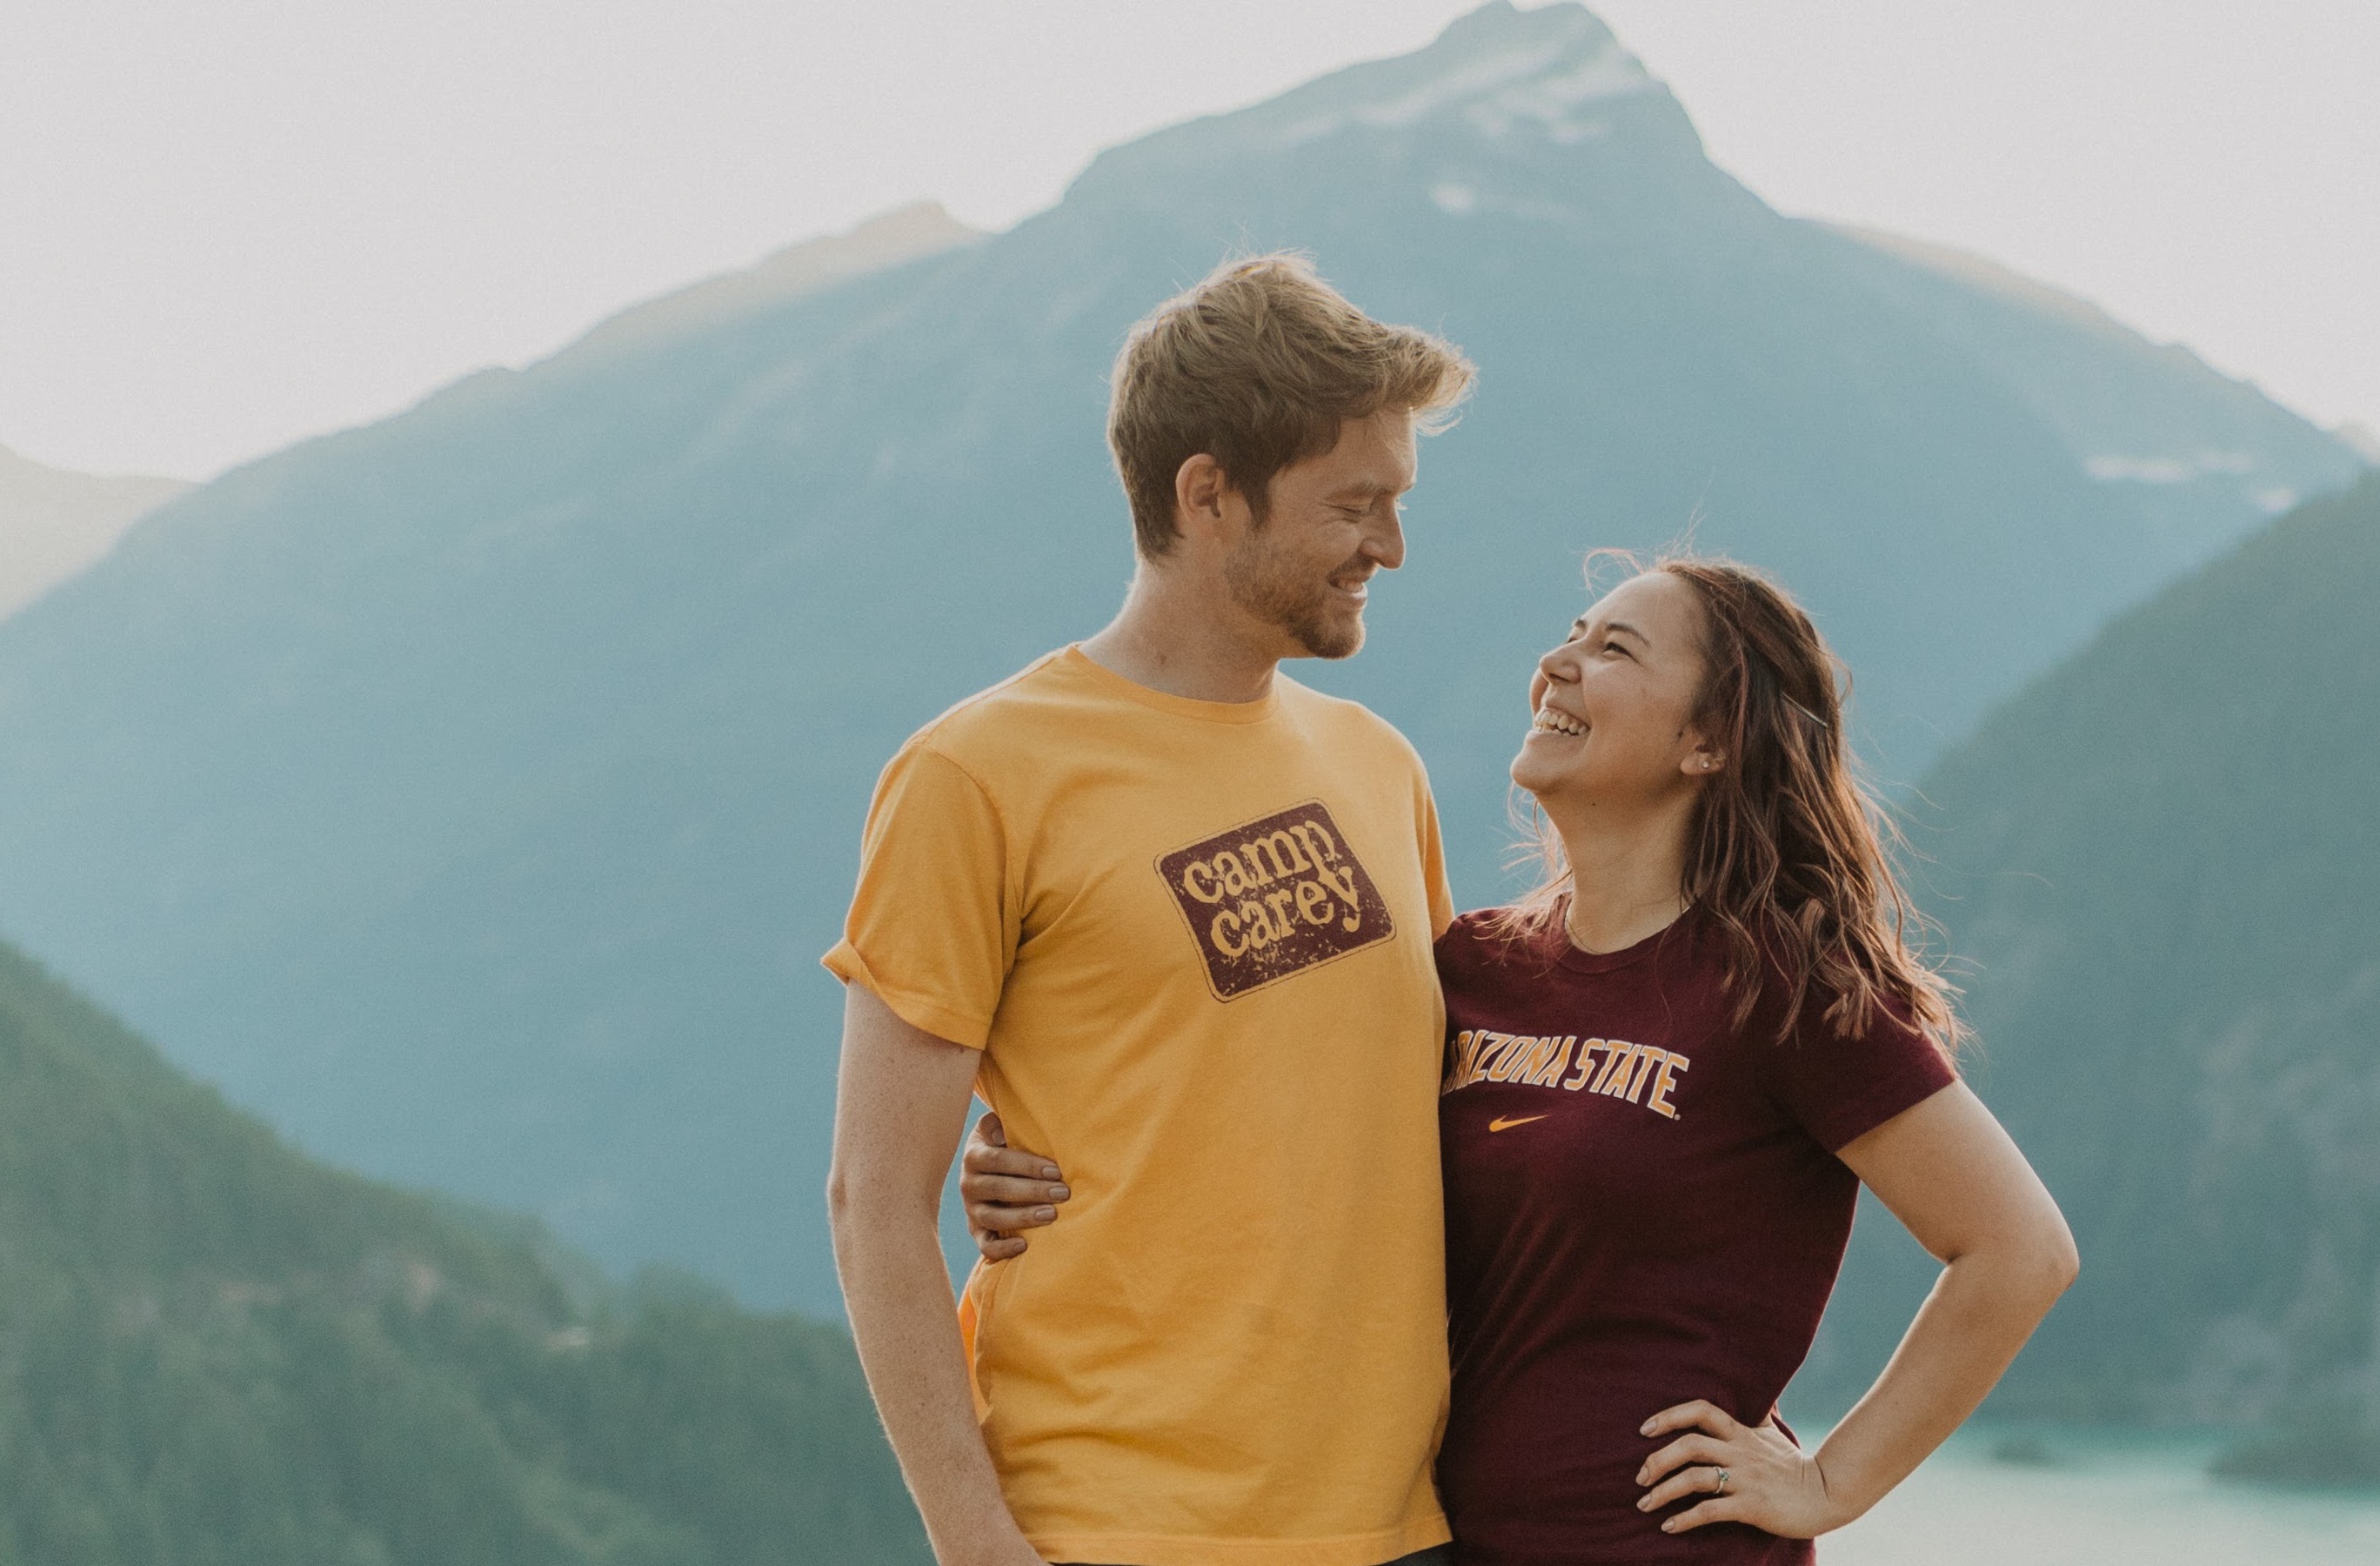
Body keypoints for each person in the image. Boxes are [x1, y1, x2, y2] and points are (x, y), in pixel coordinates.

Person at [973, 556, 2081, 1561]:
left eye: (1615, 650)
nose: (1558, 661)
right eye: (1572, 631)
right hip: (1433, 1540)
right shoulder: (1467, 966)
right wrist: (1039, 1155)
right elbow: (1263, 1104)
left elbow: (2016, 1249)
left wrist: (1830, 1481)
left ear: (1709, 742)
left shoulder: (1778, 986)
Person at [823, 252, 1474, 1566]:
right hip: (1115, 1525)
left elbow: (1430, 1106)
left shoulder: (1379, 765)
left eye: (1397, 503)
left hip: (1399, 1526)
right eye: (1356, 504)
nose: (1391, 548)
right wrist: (976, 1542)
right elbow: (874, 1199)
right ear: (1208, 495)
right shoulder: (978, 773)